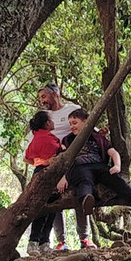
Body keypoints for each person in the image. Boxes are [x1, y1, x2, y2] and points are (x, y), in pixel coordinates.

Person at [58, 107, 131, 220]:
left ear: (86, 122)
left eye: (75, 123)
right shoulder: (67, 140)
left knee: (115, 179)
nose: (72, 126)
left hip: (99, 166)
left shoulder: (98, 138)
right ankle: (86, 200)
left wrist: (117, 165)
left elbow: (113, 152)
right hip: (80, 167)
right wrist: (63, 177)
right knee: (84, 180)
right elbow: (62, 159)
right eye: (70, 124)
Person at [36, 83, 85, 250]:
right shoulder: (44, 117)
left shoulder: (71, 109)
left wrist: (99, 133)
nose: (42, 101)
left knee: (81, 193)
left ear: (55, 94)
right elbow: (36, 140)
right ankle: (60, 241)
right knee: (53, 198)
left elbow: (84, 124)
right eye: (40, 98)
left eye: (44, 96)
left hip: (74, 157)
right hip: (52, 162)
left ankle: (84, 238)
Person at [23, 111, 64, 254]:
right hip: (48, 173)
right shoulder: (48, 139)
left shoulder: (36, 138)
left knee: (47, 208)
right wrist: (46, 161)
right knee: (47, 208)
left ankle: (41, 242)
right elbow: (57, 155)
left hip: (39, 171)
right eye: (51, 119)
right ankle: (38, 241)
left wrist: (38, 161)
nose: (53, 121)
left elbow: (26, 158)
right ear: (47, 123)